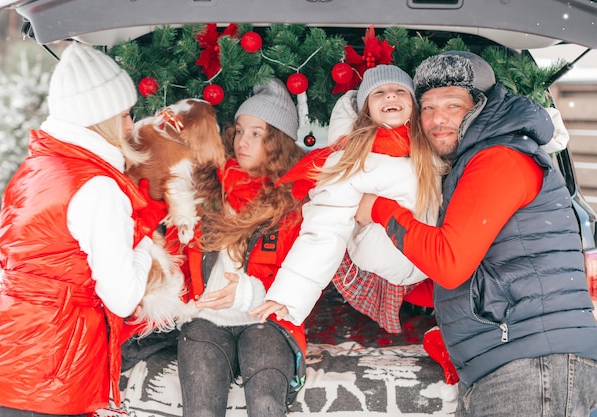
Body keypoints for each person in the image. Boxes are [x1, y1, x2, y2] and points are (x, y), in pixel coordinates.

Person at [354, 51, 597, 416]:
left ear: (481, 107)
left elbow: (450, 264)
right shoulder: (472, 164)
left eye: (454, 105)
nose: (438, 119)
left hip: (532, 367)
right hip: (514, 364)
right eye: (428, 107)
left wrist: (379, 209)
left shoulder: (499, 158)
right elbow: (477, 277)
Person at [0, 42, 166, 417]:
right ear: (100, 119)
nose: (131, 126)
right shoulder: (98, 187)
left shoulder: (34, 169)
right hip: (49, 375)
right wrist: (143, 243)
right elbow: (122, 297)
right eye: (124, 115)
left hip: (1, 361)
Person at [251, 65, 440, 333]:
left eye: (400, 91)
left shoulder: (430, 150)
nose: (390, 96)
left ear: (413, 104)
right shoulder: (352, 161)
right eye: (379, 93)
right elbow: (324, 229)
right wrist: (288, 295)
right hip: (381, 268)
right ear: (366, 111)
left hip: (431, 260)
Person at [176, 79, 307, 417]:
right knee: (201, 409)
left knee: (266, 405)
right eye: (240, 131)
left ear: (276, 142)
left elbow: (298, 277)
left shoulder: (292, 202)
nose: (242, 142)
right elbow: (178, 257)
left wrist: (247, 293)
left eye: (256, 134)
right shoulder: (205, 187)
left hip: (266, 318)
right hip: (206, 316)